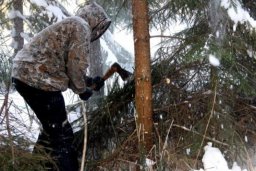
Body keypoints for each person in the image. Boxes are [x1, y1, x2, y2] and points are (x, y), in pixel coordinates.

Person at [11, 2, 111, 171]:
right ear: (95, 20)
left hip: (25, 75)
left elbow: (63, 63)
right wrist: (82, 90)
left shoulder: (72, 24)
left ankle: (35, 166)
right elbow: (75, 66)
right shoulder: (81, 27)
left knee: (51, 131)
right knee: (63, 136)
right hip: (39, 80)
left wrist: (87, 81)